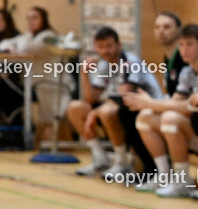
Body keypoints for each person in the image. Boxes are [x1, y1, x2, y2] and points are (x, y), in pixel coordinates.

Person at [67, 27, 162, 180]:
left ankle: (122, 162)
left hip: (146, 110)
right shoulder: (104, 65)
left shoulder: (130, 62)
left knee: (106, 111)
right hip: (121, 108)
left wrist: (94, 113)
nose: (105, 51)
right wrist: (84, 74)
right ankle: (100, 158)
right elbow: (91, 98)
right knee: (75, 108)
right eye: (101, 47)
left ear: (119, 45)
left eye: (109, 46)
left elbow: (124, 96)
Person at [125, 23, 198, 196]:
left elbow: (187, 108)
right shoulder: (187, 72)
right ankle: (165, 175)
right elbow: (177, 103)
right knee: (146, 117)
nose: (184, 50)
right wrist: (152, 106)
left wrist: (151, 103)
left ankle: (183, 181)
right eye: (181, 45)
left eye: (189, 44)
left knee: (170, 118)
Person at [154, 11, 185, 97]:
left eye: (166, 27)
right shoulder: (167, 57)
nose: (161, 31)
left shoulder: (185, 56)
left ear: (179, 30)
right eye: (157, 27)